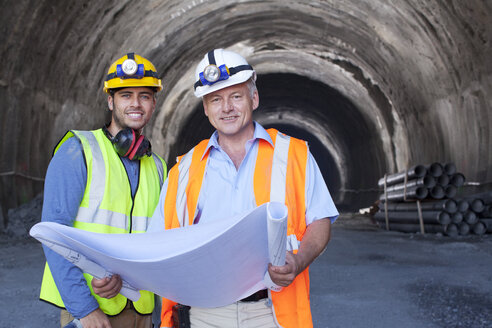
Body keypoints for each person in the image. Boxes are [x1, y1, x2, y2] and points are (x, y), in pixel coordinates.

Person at [149, 49, 339, 328]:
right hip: (204, 313)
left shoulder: (294, 154)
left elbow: (320, 221)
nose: (226, 108)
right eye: (216, 99)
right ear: (206, 108)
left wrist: (298, 262)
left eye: (236, 96)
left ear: (254, 98)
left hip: (271, 312)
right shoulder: (184, 169)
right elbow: (157, 243)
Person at [39, 53, 167, 328]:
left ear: (154, 104)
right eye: (125, 95)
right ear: (110, 101)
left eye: (144, 96)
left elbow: (159, 242)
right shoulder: (78, 151)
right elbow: (53, 235)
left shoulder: (157, 167)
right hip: (93, 311)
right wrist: (85, 310)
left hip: (142, 310)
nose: (135, 103)